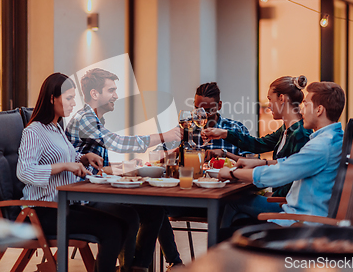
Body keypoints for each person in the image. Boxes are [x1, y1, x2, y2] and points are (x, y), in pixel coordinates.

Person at [17, 72, 129, 272]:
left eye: (73, 98)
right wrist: (66, 166)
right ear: (53, 98)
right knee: (112, 229)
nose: (73, 103)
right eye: (68, 98)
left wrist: (82, 158)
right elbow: (25, 172)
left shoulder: (56, 128)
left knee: (121, 223)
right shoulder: (33, 132)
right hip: (42, 211)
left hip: (64, 205)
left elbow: (63, 156)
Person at [66, 68, 172, 271]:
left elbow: (98, 166)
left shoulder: (95, 119)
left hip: (97, 190)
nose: (116, 95)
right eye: (111, 90)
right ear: (95, 94)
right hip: (82, 196)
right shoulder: (84, 118)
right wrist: (163, 136)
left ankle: (136, 268)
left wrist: (128, 168)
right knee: (130, 215)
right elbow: (117, 142)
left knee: (154, 211)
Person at [216, 81, 346, 236]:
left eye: (306, 105)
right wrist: (262, 163)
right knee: (240, 218)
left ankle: (220, 252)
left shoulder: (321, 145)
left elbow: (278, 174)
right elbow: (292, 162)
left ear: (319, 110)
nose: (302, 110)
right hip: (305, 213)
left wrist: (232, 173)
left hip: (301, 221)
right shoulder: (335, 138)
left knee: (231, 203)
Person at [157, 82, 252, 269]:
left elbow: (251, 162)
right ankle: (174, 263)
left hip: (221, 201)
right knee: (154, 207)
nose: (204, 114)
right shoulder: (185, 127)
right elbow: (161, 159)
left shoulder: (236, 129)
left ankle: (216, 265)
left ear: (220, 105)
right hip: (188, 198)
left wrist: (224, 154)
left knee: (233, 212)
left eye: (209, 109)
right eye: (198, 108)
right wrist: (177, 149)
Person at [202, 76, 312, 197]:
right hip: (278, 198)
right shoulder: (286, 130)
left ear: (281, 98)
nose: (269, 106)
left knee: (232, 203)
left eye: (270, 99)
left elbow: (293, 177)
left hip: (284, 204)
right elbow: (258, 144)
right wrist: (224, 134)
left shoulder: (301, 134)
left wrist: (269, 197)